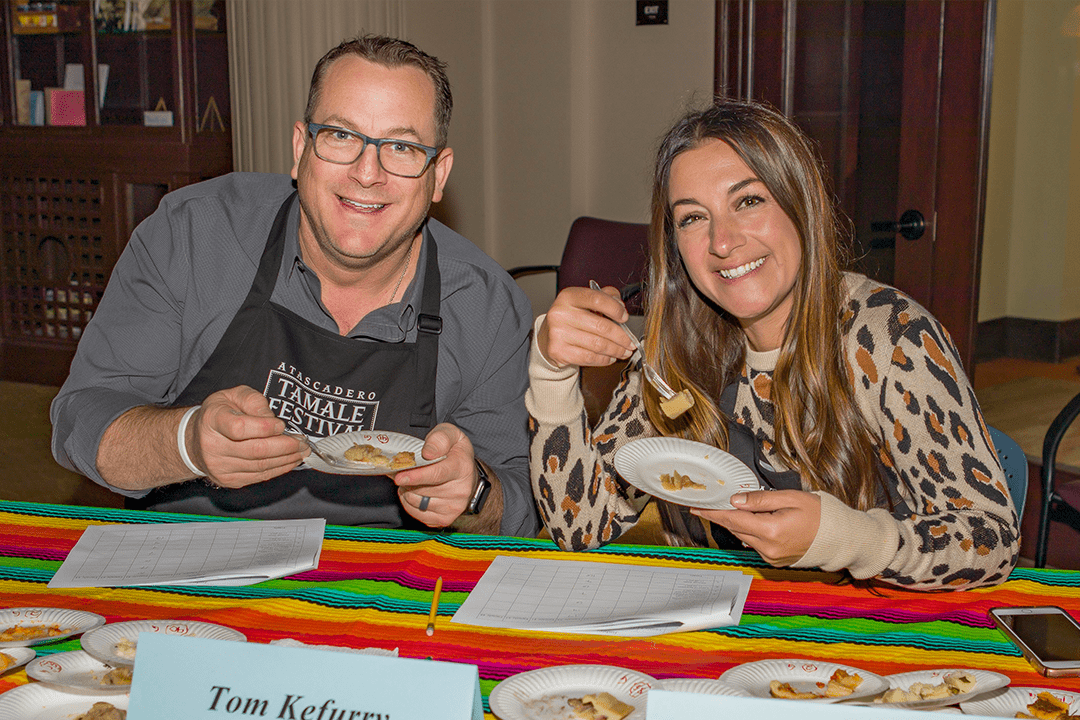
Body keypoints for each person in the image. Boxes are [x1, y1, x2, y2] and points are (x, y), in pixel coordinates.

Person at [51, 35, 539, 537]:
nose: (367, 173)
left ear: (438, 175)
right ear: (301, 147)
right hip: (188, 568)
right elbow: (81, 422)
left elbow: (522, 505)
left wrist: (474, 492)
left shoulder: (485, 307)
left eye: (401, 146)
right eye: (341, 136)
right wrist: (188, 442)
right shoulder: (196, 235)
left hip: (383, 587)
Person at [527, 99, 1018, 589]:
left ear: (800, 204)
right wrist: (552, 371)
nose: (723, 241)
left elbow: (992, 539)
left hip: (866, 632)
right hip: (710, 629)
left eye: (748, 201)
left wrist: (849, 538)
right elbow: (578, 527)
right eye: (693, 218)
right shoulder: (672, 351)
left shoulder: (889, 338)